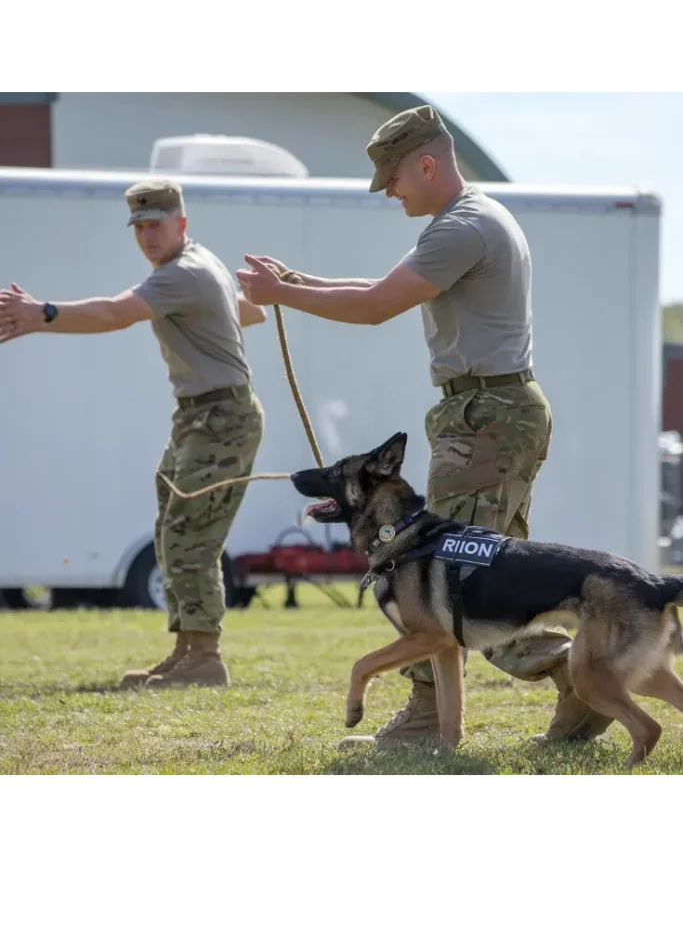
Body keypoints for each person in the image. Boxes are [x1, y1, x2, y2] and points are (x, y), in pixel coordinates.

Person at [236, 104, 613, 749]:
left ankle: (431, 721)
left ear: (428, 163)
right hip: (493, 413)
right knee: (490, 574)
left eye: (394, 179)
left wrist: (284, 297)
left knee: (440, 574)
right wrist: (301, 283)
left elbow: (379, 304)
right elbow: (387, 286)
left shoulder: (461, 227)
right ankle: (578, 691)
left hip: (485, 418)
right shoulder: (471, 220)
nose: (390, 192)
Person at [0, 178, 267, 691]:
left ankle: (205, 658)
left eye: (155, 224)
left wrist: (43, 314)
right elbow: (248, 312)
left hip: (220, 416)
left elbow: (115, 313)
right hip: (200, 415)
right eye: (139, 226)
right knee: (174, 531)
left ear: (180, 224)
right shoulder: (196, 264)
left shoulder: (182, 273)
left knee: (191, 534)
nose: (146, 235)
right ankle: (188, 650)